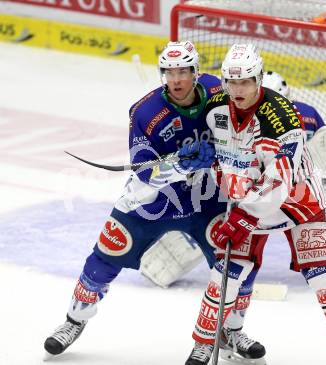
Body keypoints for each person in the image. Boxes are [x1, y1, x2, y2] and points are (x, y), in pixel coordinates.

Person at [43, 41, 264, 360]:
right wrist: (181, 163)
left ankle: (231, 330)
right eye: (169, 72)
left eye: (183, 72)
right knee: (106, 255)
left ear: (196, 72)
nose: (176, 79)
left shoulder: (218, 90)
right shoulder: (144, 112)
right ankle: (73, 320)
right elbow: (144, 171)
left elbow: (244, 117)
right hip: (152, 203)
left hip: (207, 198)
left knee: (237, 263)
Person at [184, 44, 326, 365]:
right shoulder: (215, 107)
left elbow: (279, 182)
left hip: (298, 201)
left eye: (244, 82)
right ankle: (209, 343)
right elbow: (202, 144)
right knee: (225, 274)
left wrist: (241, 218)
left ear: (258, 79)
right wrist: (198, 156)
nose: (237, 90)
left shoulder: (281, 116)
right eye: (230, 82)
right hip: (246, 200)